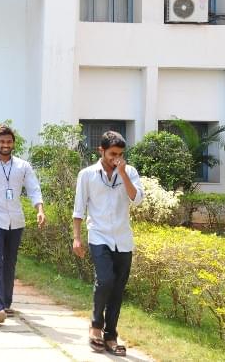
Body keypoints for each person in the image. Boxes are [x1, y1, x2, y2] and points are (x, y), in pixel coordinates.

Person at [73, 131, 144, 357]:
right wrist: (76, 238)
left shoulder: (129, 172)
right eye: (113, 154)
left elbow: (137, 199)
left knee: (118, 288)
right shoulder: (87, 175)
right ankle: (96, 326)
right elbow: (79, 208)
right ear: (101, 151)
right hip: (99, 235)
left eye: (121, 154)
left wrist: (123, 174)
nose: (117, 158)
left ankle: (111, 335)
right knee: (105, 280)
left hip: (123, 239)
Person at [0, 125, 45, 324]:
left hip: (16, 221)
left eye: (9, 141)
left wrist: (40, 209)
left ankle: (6, 302)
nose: (6, 145)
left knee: (10, 262)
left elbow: (34, 189)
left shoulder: (23, 166)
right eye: (2, 141)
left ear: (13, 143)